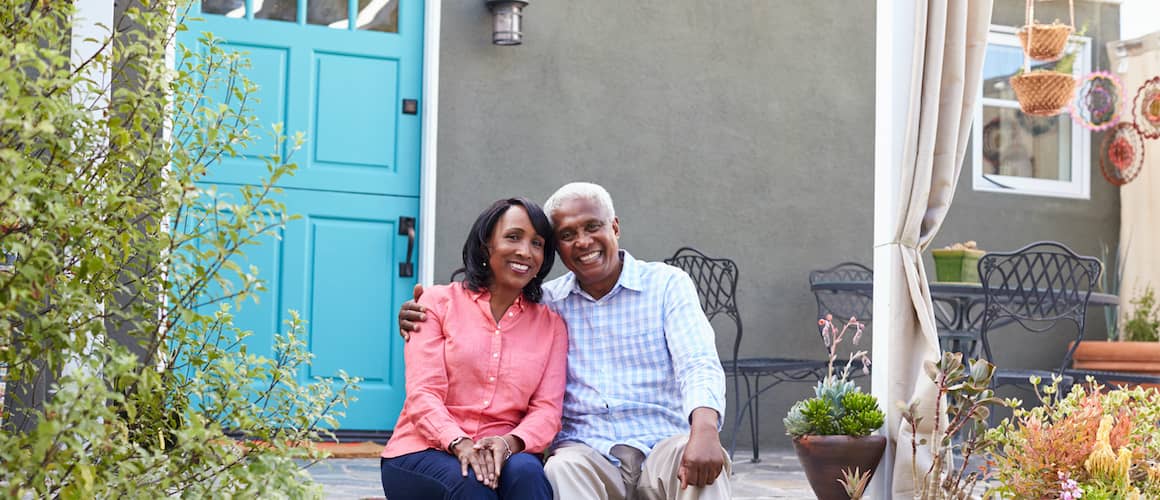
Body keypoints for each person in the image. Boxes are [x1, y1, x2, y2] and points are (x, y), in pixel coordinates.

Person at [400, 183, 731, 500]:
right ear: (557, 249)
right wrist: (422, 309)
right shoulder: (546, 303)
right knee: (560, 469)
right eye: (568, 235)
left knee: (698, 462)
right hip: (587, 451)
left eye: (592, 227)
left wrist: (704, 429)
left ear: (614, 227)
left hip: (662, 442)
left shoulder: (667, 285)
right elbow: (486, 314)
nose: (583, 242)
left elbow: (697, 362)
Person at [380, 198, 568, 500]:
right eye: (513, 237)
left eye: (537, 243)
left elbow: (547, 410)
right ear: (485, 245)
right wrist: (458, 442)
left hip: (504, 448)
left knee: (528, 473)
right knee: (471, 483)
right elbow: (423, 393)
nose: (525, 251)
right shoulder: (436, 303)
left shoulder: (551, 325)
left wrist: (508, 443)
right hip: (422, 449)